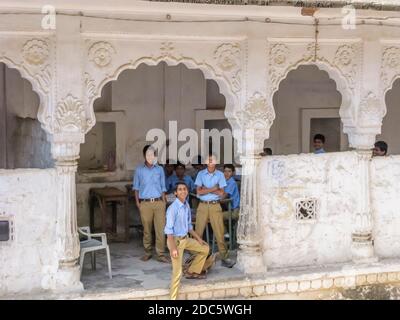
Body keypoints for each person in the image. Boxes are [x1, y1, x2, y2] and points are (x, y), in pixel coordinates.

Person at [165, 182, 209, 300]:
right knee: (177, 273)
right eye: (180, 189)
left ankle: (191, 271)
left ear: (187, 191)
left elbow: (189, 226)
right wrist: (173, 248)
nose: (183, 191)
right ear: (175, 193)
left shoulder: (186, 205)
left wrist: (199, 239)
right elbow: (168, 231)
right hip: (175, 241)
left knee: (205, 248)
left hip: (186, 239)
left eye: (184, 189)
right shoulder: (172, 208)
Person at [194, 154, 235, 268]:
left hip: (215, 205)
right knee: (198, 233)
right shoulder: (200, 174)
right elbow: (198, 192)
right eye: (209, 160)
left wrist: (206, 189)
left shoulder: (220, 175)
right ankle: (196, 257)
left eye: (213, 160)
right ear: (206, 162)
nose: (211, 161)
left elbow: (222, 193)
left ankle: (224, 257)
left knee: (219, 232)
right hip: (202, 205)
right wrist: (214, 188)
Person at [133, 145, 170, 263]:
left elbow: (163, 186)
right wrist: (138, 203)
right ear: (144, 155)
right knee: (147, 229)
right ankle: (147, 252)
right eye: (148, 154)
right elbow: (136, 188)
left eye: (153, 154)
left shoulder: (159, 169)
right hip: (145, 203)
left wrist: (164, 202)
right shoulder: (139, 170)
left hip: (159, 202)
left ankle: (160, 254)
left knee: (160, 229)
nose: (151, 156)